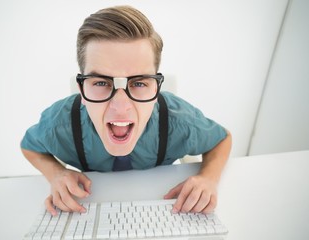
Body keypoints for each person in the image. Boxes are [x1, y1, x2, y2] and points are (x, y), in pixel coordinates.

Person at [21, 5, 232, 216]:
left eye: (139, 83)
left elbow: (222, 139)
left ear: (156, 89)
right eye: (101, 83)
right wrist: (56, 173)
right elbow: (29, 147)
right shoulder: (60, 124)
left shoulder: (179, 121)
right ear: (82, 91)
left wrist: (208, 177)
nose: (120, 108)